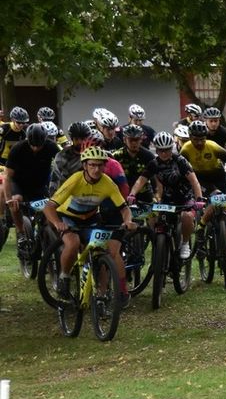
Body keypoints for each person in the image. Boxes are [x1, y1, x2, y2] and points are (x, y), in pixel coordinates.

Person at [42, 146, 137, 299]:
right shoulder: (75, 179)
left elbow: (124, 208)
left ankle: (101, 295)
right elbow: (49, 207)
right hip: (68, 217)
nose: (96, 169)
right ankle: (64, 277)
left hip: (91, 218)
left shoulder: (108, 183)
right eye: (92, 165)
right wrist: (57, 223)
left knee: (98, 253)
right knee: (73, 243)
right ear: (85, 165)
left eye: (100, 165)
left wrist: (128, 221)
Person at [130, 131, 204, 259]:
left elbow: (194, 181)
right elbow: (141, 180)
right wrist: (132, 194)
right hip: (167, 198)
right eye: (161, 150)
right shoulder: (154, 163)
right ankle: (158, 242)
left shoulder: (180, 161)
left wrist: (199, 199)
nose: (164, 153)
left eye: (167, 150)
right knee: (153, 217)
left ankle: (185, 243)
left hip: (185, 197)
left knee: (186, 217)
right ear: (157, 150)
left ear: (172, 148)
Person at [3, 123, 60, 252]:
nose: (35, 148)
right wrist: (8, 199)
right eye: (32, 145)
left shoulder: (51, 147)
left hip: (40, 184)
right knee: (16, 200)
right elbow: (7, 177)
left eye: (38, 145)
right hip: (19, 184)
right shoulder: (17, 148)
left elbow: (61, 168)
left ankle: (46, 233)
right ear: (28, 140)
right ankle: (21, 232)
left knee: (50, 206)